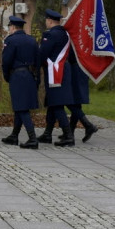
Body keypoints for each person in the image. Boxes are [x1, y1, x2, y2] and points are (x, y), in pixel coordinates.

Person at [1, 15, 40, 149]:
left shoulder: (11, 41)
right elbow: (37, 61)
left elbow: (6, 61)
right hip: (29, 75)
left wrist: (6, 76)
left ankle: (33, 138)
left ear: (12, 27)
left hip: (17, 76)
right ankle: (14, 136)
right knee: (20, 106)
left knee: (22, 108)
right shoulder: (31, 40)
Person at [38, 9, 75, 146]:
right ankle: (48, 134)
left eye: (46, 20)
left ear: (49, 20)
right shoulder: (65, 34)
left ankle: (68, 136)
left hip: (55, 71)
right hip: (63, 70)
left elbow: (42, 53)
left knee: (57, 103)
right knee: (52, 103)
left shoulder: (50, 34)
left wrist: (37, 66)